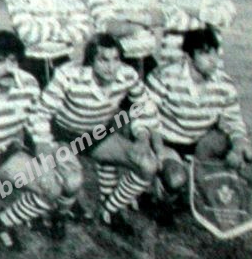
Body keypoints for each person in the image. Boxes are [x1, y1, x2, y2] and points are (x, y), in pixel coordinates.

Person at [0, 30, 84, 247]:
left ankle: (0, 223)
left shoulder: (28, 83)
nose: (8, 68)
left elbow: (36, 119)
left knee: (52, 187)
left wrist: (44, 150)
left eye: (13, 60)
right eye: (0, 61)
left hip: (6, 154)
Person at [35, 34, 160, 236]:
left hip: (97, 135)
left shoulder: (127, 75)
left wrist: (142, 137)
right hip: (64, 135)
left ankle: (109, 210)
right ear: (90, 61)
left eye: (115, 59)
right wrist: (44, 146)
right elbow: (41, 112)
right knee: (72, 181)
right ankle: (59, 214)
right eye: (103, 60)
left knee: (148, 165)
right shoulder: (68, 74)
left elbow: (145, 106)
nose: (110, 67)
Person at [145, 27, 252, 221]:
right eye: (205, 54)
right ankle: (161, 190)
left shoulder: (224, 83)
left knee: (248, 153)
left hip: (200, 141)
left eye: (215, 53)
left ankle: (200, 179)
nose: (213, 60)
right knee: (176, 179)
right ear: (188, 57)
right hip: (168, 141)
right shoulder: (165, 76)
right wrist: (159, 150)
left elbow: (234, 121)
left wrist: (238, 148)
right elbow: (146, 115)